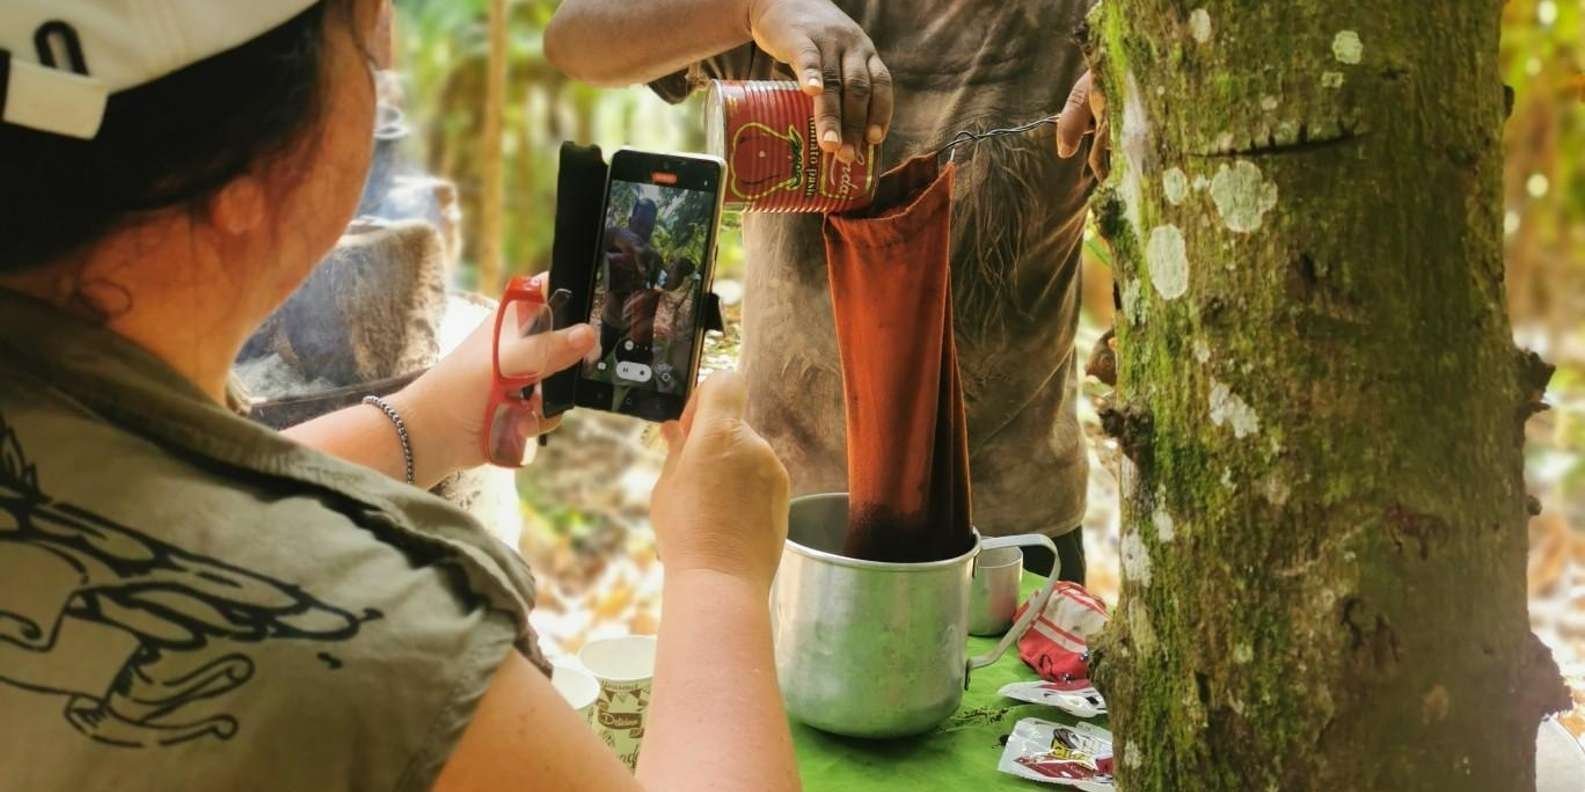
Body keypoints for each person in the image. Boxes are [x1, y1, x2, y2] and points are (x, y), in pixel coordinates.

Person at [0, 2, 798, 790]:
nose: (383, 37)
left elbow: (161, 510)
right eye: (358, 31)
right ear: (239, 175)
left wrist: (426, 422)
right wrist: (717, 575)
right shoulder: (384, 645)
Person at [546, 0, 1107, 579]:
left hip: (1011, 531)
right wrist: (755, 11)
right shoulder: (790, 12)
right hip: (781, 510)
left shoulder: (1086, 22)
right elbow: (574, 38)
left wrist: (1126, 91)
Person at [599, 198, 661, 359]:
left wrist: (678, 274)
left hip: (636, 329)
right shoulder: (614, 242)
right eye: (639, 223)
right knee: (603, 358)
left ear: (652, 229)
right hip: (611, 322)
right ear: (630, 221)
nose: (642, 230)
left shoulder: (653, 257)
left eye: (647, 227)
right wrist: (615, 234)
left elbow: (665, 285)